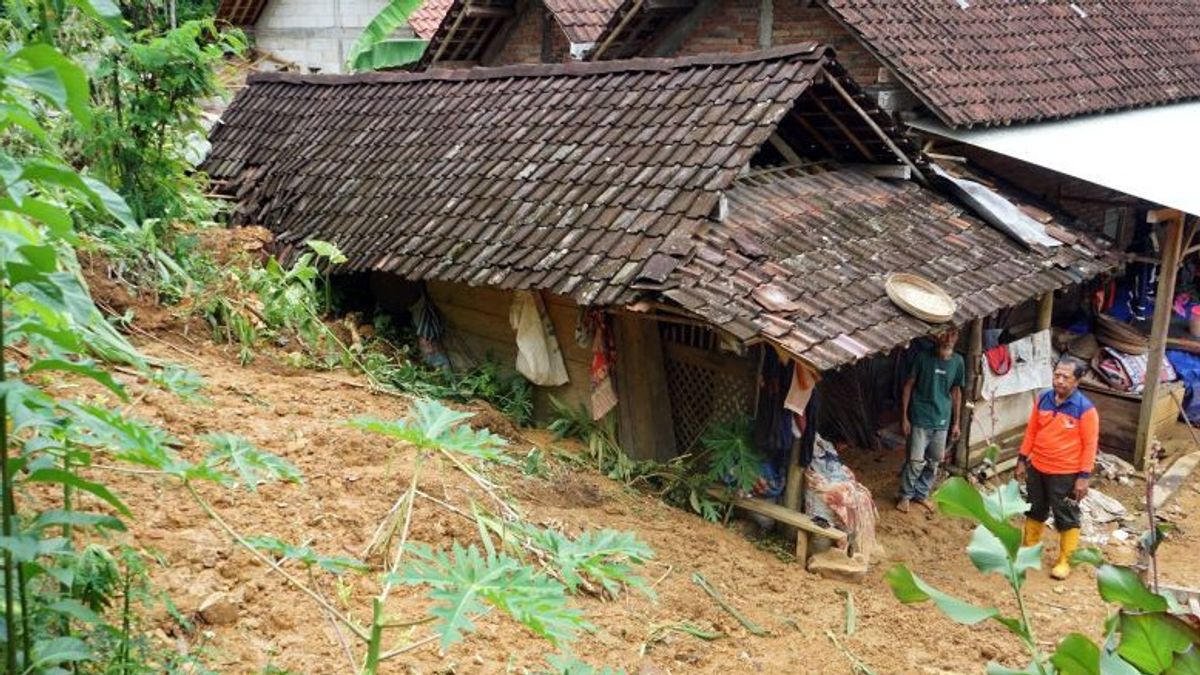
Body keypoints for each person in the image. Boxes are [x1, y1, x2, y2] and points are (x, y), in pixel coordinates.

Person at [1017, 355, 1099, 580]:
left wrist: (1083, 476)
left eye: (1066, 377)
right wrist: (1022, 460)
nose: (1060, 380)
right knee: (1035, 509)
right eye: (1057, 375)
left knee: (1067, 515)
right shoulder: (1043, 399)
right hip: (1038, 467)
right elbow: (1031, 431)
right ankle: (1028, 551)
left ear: (1077, 381)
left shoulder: (1085, 409)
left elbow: (1090, 445)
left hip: (1066, 473)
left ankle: (1065, 560)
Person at [898, 327, 965, 513]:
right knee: (915, 460)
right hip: (920, 417)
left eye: (953, 334)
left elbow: (956, 391)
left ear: (957, 337)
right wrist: (904, 417)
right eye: (946, 333)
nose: (949, 338)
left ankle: (921, 494)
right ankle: (905, 496)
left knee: (934, 461)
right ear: (938, 335)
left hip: (942, 419)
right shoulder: (923, 358)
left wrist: (956, 422)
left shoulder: (958, 362)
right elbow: (908, 386)